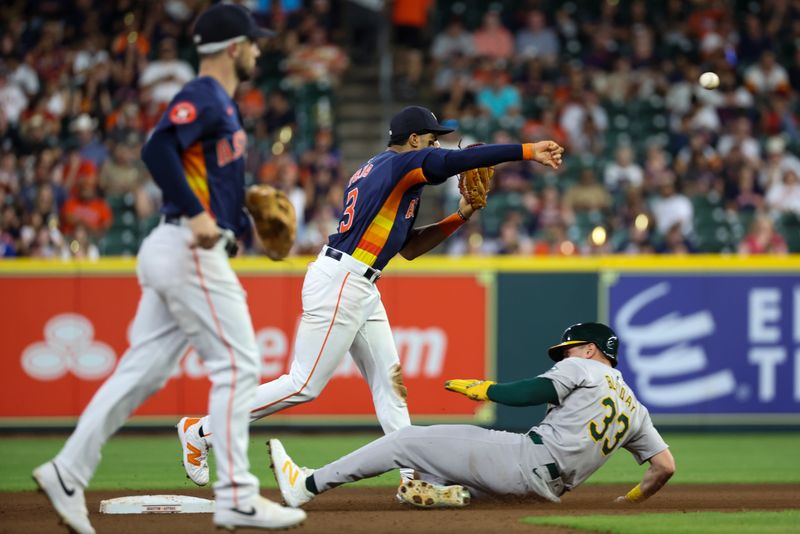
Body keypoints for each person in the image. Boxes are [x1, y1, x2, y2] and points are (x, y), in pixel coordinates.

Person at [177, 105, 564, 504]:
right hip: (342, 282)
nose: (435, 145)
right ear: (414, 140)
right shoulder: (403, 166)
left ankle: (413, 477)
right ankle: (201, 431)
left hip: (360, 283)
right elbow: (457, 160)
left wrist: (460, 216)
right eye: (431, 139)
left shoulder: (383, 174)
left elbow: (410, 248)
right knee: (303, 385)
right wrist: (528, 150)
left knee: (390, 389)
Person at [31, 5, 306, 533]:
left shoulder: (222, 106)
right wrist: (202, 214)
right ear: (232, 48)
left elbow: (209, 177)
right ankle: (237, 496)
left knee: (142, 371)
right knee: (239, 366)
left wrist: (241, 212)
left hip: (183, 245)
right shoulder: (202, 95)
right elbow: (157, 148)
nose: (257, 50)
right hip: (186, 247)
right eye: (253, 43)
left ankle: (67, 472)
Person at [268, 322, 676, 508]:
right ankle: (442, 492)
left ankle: (306, 484)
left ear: (591, 349)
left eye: (569, 348)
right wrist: (631, 499)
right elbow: (664, 466)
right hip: (549, 490)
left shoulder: (585, 367)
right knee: (436, 461)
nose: (564, 354)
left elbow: (538, 390)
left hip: (526, 460)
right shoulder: (635, 408)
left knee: (405, 440)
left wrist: (489, 390)